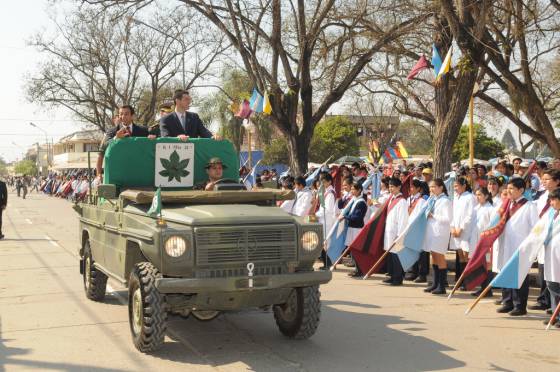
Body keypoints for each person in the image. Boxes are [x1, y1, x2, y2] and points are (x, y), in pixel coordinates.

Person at [495, 178, 538, 316]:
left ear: (521, 190)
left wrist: (529, 246)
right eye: (508, 188)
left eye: (512, 189)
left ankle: (520, 305)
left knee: (519, 276)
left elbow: (535, 228)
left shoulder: (529, 206)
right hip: (506, 244)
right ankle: (507, 302)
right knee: (505, 272)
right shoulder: (506, 205)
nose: (509, 191)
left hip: (520, 246)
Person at [529, 169, 560, 311]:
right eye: (543, 179)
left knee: (555, 279)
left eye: (547, 179)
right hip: (545, 241)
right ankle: (548, 303)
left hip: (556, 245)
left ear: (556, 181)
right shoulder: (542, 196)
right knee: (546, 275)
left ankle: (554, 308)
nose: (543, 182)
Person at [96, 105, 154, 178]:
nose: (123, 116)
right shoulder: (112, 131)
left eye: (126, 114)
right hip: (117, 174)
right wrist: (116, 138)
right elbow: (102, 150)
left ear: (132, 116)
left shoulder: (143, 131)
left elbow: (157, 138)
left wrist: (152, 139)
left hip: (138, 173)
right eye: (121, 114)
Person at [423, 179, 453, 295]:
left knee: (440, 257)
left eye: (434, 187)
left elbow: (448, 219)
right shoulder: (433, 199)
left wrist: (433, 215)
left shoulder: (445, 201)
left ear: (441, 187)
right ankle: (435, 283)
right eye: (430, 187)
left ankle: (442, 285)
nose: (431, 189)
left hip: (440, 232)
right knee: (434, 256)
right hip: (432, 231)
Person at [382, 177, 409, 286]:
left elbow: (403, 219)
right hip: (390, 230)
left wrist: (399, 235)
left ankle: (398, 278)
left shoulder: (402, 201)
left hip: (397, 233)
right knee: (391, 255)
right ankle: (392, 275)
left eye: (393, 186)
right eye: (389, 187)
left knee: (397, 255)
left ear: (399, 187)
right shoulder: (391, 199)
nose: (391, 189)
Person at [470, 187, 495, 297]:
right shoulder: (476, 208)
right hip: (476, 240)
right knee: (479, 264)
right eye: (476, 195)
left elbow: (492, 226)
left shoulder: (491, 209)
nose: (477, 197)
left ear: (486, 196)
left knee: (487, 265)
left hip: (486, 242)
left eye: (480, 195)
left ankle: (487, 289)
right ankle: (482, 287)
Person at [404, 179, 430, 283]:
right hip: (409, 228)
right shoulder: (409, 199)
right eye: (409, 187)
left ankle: (422, 274)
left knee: (421, 252)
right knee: (411, 250)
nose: (410, 189)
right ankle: (413, 272)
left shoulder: (422, 200)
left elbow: (421, 215)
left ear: (418, 188)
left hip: (418, 228)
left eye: (412, 187)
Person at [543, 188, 560, 327]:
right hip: (550, 254)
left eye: (554, 199)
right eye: (550, 199)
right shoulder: (550, 214)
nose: (551, 202)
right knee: (552, 285)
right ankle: (556, 314)